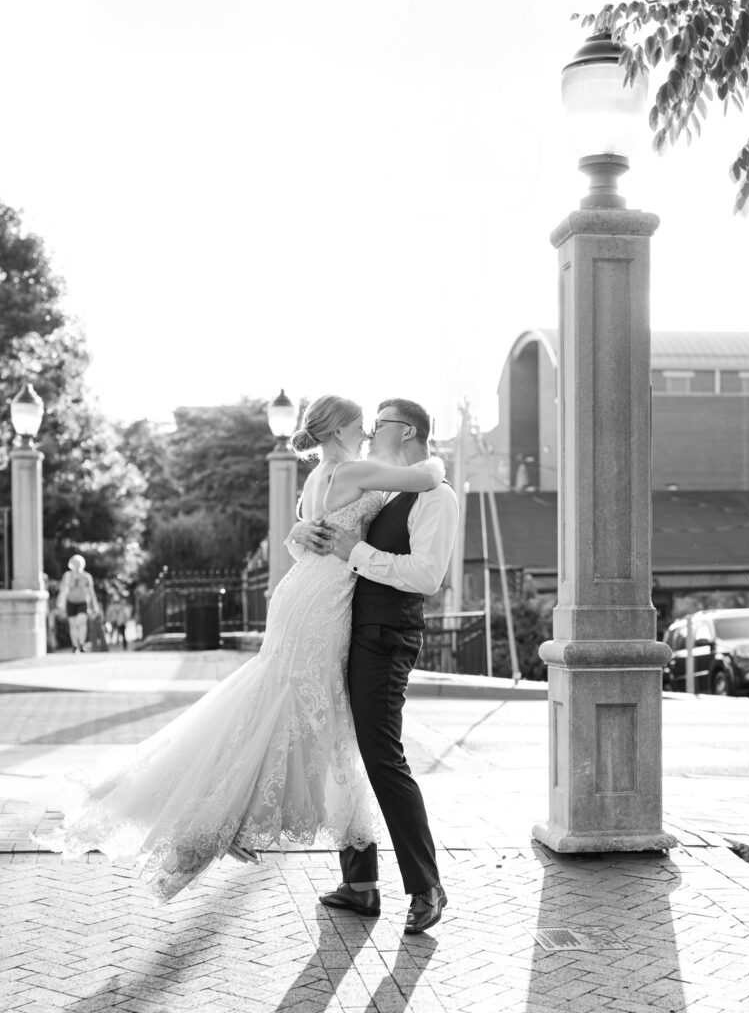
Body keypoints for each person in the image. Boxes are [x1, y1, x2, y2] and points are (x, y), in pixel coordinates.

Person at [36, 395, 445, 905]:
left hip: (308, 593)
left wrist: (299, 532)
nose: (366, 433)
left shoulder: (320, 476)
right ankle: (225, 821)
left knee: (296, 712)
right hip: (323, 602)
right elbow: (427, 478)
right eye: (362, 425)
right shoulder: (356, 469)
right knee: (299, 715)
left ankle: (354, 878)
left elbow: (307, 539)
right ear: (339, 430)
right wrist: (437, 455)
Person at [291, 398, 458, 935]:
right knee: (342, 749)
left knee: (382, 755)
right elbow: (324, 531)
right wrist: (304, 535)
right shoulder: (386, 487)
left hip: (384, 638)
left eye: (378, 422)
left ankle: (427, 886)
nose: (369, 432)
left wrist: (355, 551)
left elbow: (427, 575)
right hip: (343, 630)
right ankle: (360, 883)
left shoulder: (436, 498)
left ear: (404, 431)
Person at [56, 555, 99, 653]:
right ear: (71, 564)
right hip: (71, 602)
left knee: (81, 622)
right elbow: (62, 589)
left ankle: (82, 643)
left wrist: (95, 606)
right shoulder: (67, 576)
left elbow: (91, 592)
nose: (77, 566)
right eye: (75, 563)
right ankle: (75, 645)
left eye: (78, 563)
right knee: (73, 625)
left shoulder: (86, 577)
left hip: (82, 602)